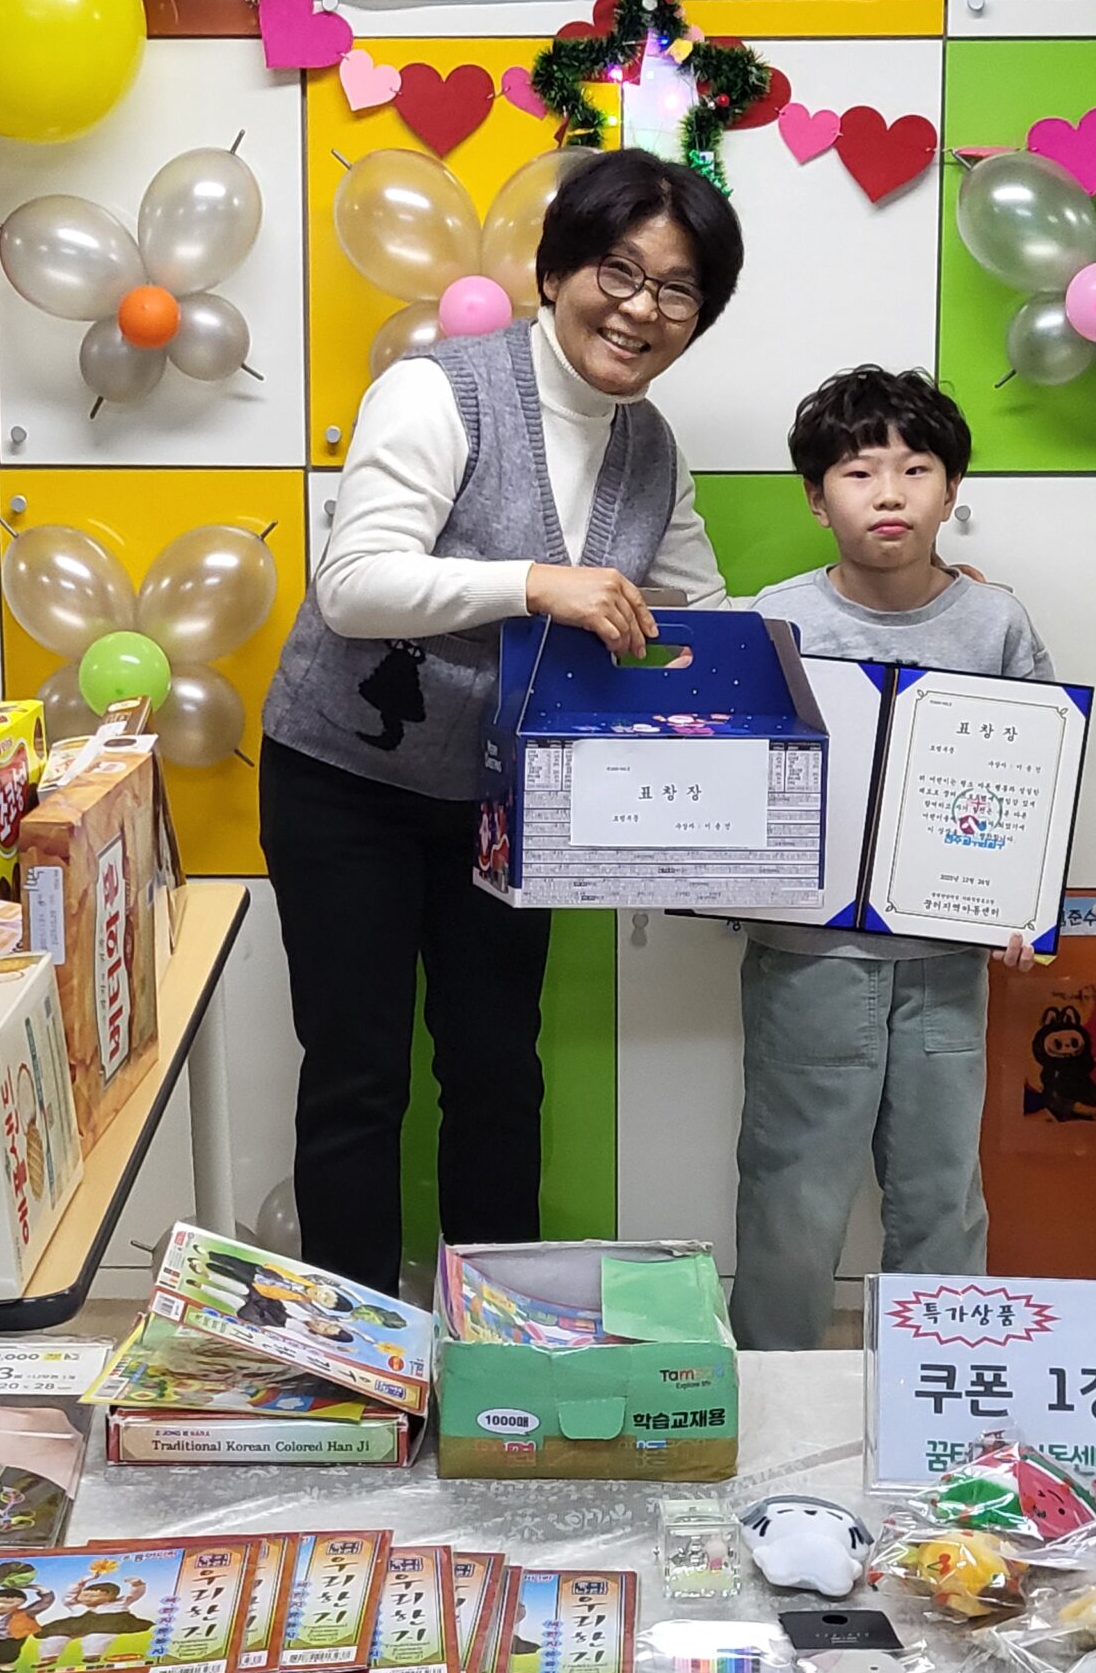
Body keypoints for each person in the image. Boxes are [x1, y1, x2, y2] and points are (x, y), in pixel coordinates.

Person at [259, 150, 744, 1295]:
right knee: (357, 1072)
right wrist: (534, 582)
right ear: (555, 268)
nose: (640, 309)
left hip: (500, 800)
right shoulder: (439, 390)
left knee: (495, 1073)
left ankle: (497, 1340)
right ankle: (356, 1351)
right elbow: (355, 584)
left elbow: (702, 613)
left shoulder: (648, 446)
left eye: (678, 290)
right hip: (347, 783)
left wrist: (886, 615)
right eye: (617, 271)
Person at [729, 366, 1052, 1351]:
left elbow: (1038, 782)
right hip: (808, 961)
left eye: (916, 468)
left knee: (941, 1192)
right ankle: (770, 1398)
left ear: (951, 493)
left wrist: (1028, 910)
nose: (889, 491)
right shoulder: (769, 621)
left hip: (948, 965)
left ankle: (941, 1395)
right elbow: (730, 787)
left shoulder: (995, 623)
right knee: (793, 1189)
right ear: (815, 498)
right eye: (858, 470)